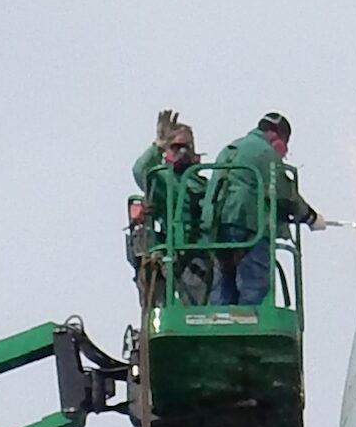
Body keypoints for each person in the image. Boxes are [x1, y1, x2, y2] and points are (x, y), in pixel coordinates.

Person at [202, 112, 326, 305]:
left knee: (224, 281)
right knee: (255, 282)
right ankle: (252, 327)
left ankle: (220, 324)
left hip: (217, 225)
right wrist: (310, 216)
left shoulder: (230, 149)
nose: (284, 152)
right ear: (276, 136)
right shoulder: (265, 152)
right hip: (248, 223)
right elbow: (285, 192)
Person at [130, 110, 210, 306]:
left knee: (200, 311)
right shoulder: (163, 179)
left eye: (187, 147)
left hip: (204, 254)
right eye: (176, 147)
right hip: (175, 254)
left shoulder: (206, 185)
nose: (182, 152)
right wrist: (159, 144)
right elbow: (140, 171)